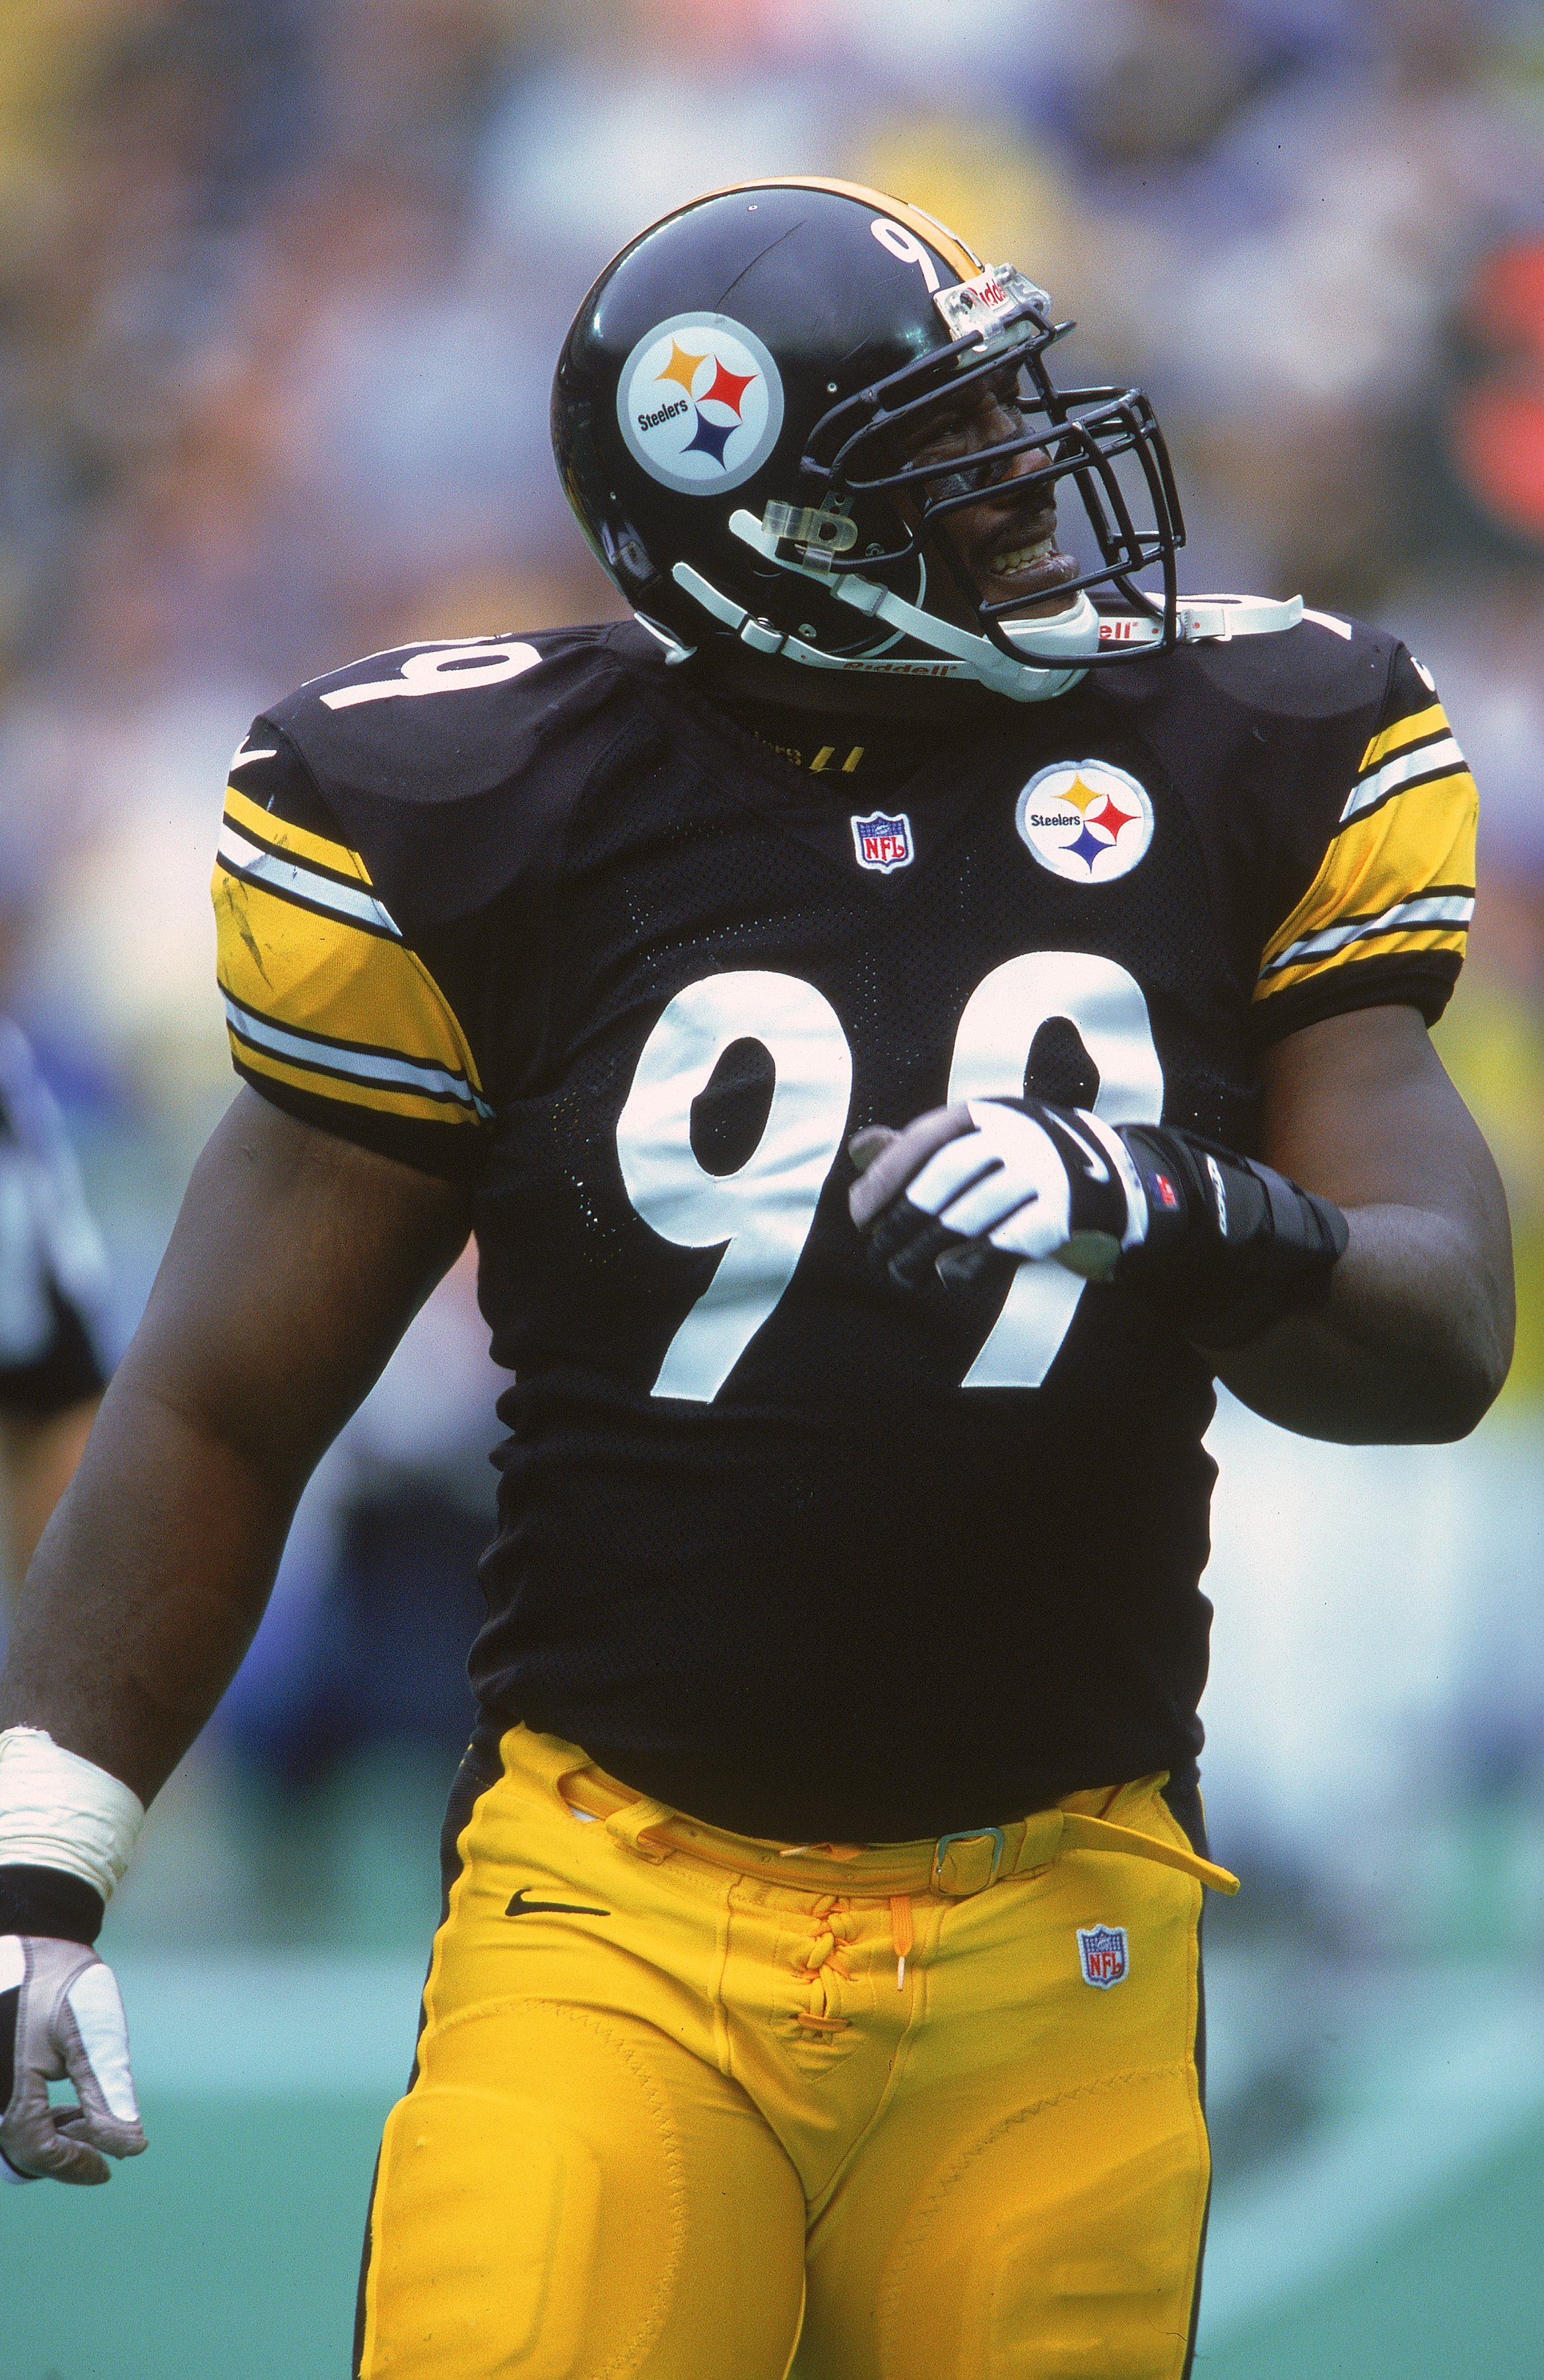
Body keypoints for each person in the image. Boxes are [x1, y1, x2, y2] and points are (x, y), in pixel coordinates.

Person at [0, 180, 1514, 2379]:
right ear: (776, 530)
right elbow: (229, 1397)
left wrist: (1175, 1205)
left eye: (1011, 423)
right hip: (614, 1901)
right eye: (953, 460)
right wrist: (41, 1860)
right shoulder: (471, 807)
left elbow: (1436, 1334)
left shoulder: (1246, 748)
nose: (1035, 492)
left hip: (1064, 1909)